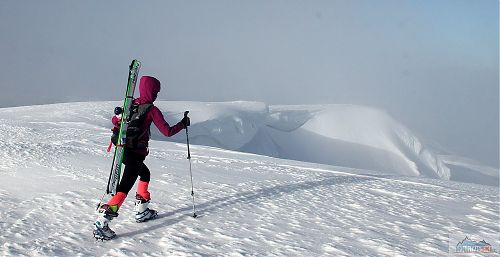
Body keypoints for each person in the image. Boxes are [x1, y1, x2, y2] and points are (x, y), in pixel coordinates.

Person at [94, 76, 190, 240]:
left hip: (122, 150)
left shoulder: (131, 104)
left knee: (145, 174)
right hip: (135, 153)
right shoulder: (151, 109)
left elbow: (115, 120)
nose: (156, 95)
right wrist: (183, 123)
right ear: (151, 91)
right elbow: (167, 132)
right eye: (156, 91)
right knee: (124, 187)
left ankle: (142, 211)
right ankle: (102, 222)